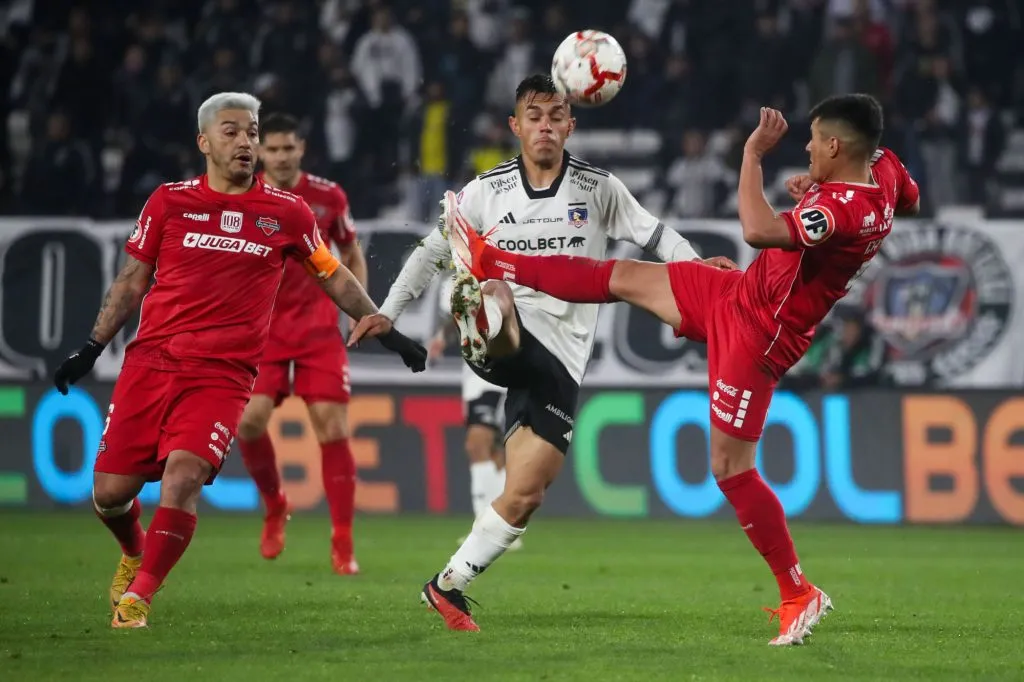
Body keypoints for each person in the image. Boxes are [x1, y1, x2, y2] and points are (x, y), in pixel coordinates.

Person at [447, 94, 920, 645]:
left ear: (836, 146)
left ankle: (798, 593)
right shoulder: (883, 173)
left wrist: (753, 155)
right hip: (741, 294)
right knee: (619, 275)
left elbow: (757, 230)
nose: (808, 148)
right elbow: (902, 202)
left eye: (814, 141)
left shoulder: (842, 208)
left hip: (760, 334)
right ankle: (492, 260)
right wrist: (818, 202)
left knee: (730, 468)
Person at [350, 74, 734, 632]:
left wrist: (698, 269)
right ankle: (476, 304)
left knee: (525, 493)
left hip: (562, 358)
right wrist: (390, 311)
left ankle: (447, 585)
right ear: (516, 126)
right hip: (503, 339)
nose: (546, 125)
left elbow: (657, 238)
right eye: (535, 116)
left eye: (556, 116)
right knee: (498, 291)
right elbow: (428, 251)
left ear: (571, 125)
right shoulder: (487, 191)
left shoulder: (599, 188)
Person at [53, 92, 426, 629]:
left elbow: (334, 273)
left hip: (222, 375)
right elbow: (132, 280)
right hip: (152, 363)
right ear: (204, 142)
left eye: (251, 132)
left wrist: (387, 330)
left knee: (183, 477)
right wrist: (90, 347)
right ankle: (133, 551)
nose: (246, 142)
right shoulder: (168, 202)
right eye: (233, 132)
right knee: (110, 495)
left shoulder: (288, 213)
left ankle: (139, 597)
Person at [234, 113, 367, 575]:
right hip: (264, 329)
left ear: (301, 148)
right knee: (248, 422)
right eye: (272, 149)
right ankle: (275, 504)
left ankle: (343, 541)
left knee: (331, 425)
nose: (281, 156)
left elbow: (350, 253)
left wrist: (360, 314)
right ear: (260, 152)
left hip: (315, 327)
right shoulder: (246, 196)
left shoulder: (329, 197)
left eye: (288, 148)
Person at [428, 271, 521, 551]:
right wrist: (441, 337)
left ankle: (486, 525)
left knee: (477, 443)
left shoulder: (496, 270)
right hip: (475, 371)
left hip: (495, 369)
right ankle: (504, 528)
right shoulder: (458, 274)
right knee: (492, 448)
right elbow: (456, 314)